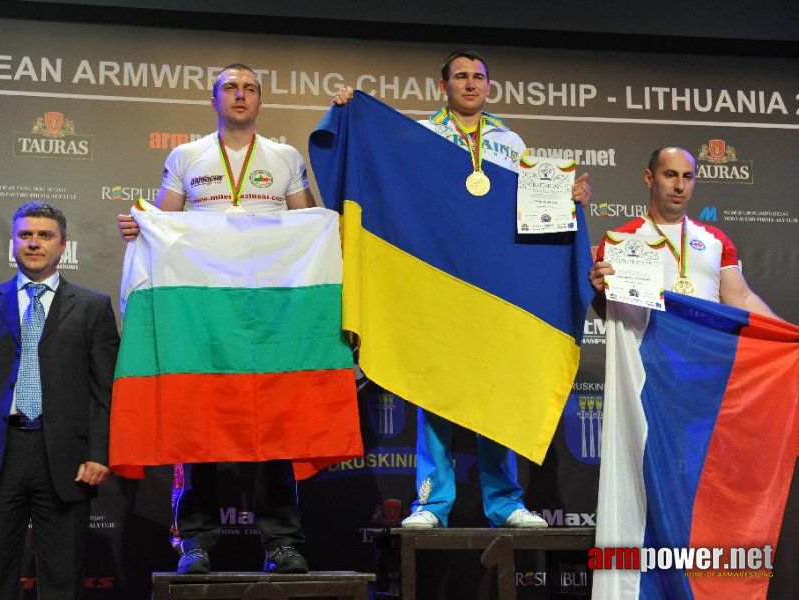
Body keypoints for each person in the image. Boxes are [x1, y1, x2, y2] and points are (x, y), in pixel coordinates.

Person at [332, 49, 592, 530]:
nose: (471, 84)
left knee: (498, 394)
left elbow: (532, 210)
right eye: (461, 77)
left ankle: (506, 503)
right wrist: (351, 110)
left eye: (479, 77)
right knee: (433, 389)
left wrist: (567, 198)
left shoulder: (509, 141)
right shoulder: (424, 135)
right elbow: (386, 176)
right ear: (442, 86)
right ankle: (431, 504)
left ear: (489, 87)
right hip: (440, 281)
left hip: (492, 286)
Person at [116, 63, 314, 574]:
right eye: (230, 87)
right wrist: (139, 228)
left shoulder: (285, 157)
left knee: (274, 425)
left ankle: (282, 543)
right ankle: (196, 541)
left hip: (268, 311)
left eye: (250, 88)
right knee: (197, 422)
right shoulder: (186, 156)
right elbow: (164, 223)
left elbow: (308, 223)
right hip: (204, 312)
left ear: (261, 101)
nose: (241, 95)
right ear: (214, 100)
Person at [0, 201, 120, 600]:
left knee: (63, 581)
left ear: (63, 245)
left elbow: (104, 390)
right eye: (25, 235)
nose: (34, 243)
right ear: (13, 242)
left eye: (44, 235)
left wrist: (100, 452)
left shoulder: (92, 307)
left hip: (67, 459)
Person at [589, 146, 777, 317]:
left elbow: (742, 299)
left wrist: (791, 337)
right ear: (649, 178)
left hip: (704, 352)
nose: (680, 186)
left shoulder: (715, 239)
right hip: (647, 352)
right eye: (670, 175)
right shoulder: (620, 240)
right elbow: (611, 313)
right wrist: (599, 291)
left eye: (687, 176)